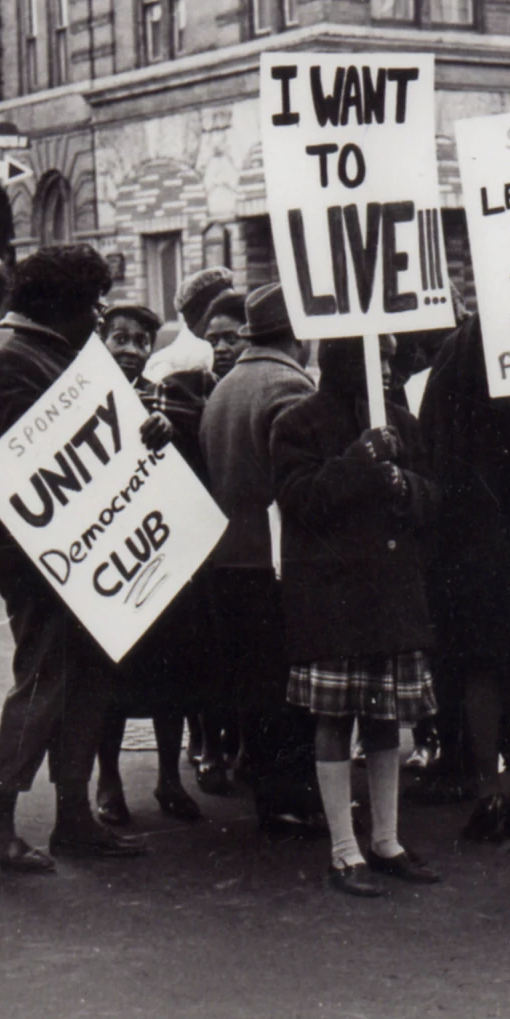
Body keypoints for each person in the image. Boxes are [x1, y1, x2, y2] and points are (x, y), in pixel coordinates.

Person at [0, 245, 142, 873]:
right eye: (92, 303)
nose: (100, 316)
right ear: (62, 305)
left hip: (86, 550)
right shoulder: (11, 363)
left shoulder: (63, 357)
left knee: (89, 682)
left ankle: (74, 817)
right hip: (39, 558)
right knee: (41, 684)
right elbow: (35, 460)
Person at [272, 335, 443, 897]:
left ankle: (386, 841)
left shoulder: (400, 419)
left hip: (390, 593)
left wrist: (401, 483)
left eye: (392, 359)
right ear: (349, 364)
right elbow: (299, 501)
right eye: (381, 360)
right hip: (333, 597)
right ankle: (345, 851)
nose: (391, 370)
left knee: (385, 718)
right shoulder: (297, 422)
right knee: (334, 720)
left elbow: (433, 499)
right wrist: (361, 459)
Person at [418, 316, 510, 836]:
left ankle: (489, 788)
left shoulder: (454, 350)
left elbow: (430, 439)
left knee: (481, 665)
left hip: (469, 536)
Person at [199, 282, 325, 832]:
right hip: (275, 561)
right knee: (288, 690)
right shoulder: (290, 387)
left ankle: (271, 795)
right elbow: (298, 483)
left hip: (228, 559)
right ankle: (288, 800)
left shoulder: (226, 387)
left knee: (254, 686)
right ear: (298, 337)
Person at [88, 302, 210, 827]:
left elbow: (191, 470)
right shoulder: (83, 399)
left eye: (141, 340)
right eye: (120, 338)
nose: (132, 349)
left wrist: (170, 431)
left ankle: (168, 777)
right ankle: (109, 781)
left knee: (171, 675)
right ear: (103, 342)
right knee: (112, 679)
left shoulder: (166, 398)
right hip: (109, 561)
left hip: (159, 556)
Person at [144, 266, 234, 382]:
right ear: (200, 315)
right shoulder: (166, 365)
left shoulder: (239, 345)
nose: (233, 314)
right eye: (223, 308)